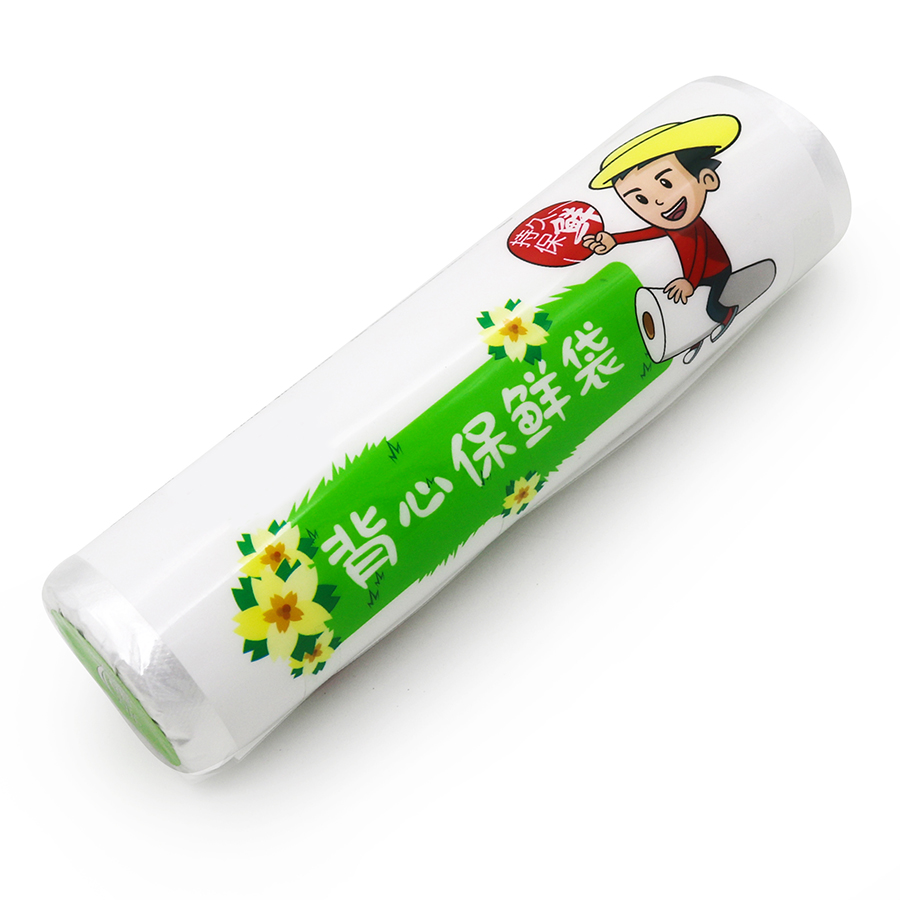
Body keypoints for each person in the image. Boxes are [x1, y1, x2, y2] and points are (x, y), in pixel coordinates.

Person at [583, 115, 742, 362]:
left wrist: (690, 282)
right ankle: (694, 341)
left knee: (709, 307)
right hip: (694, 275)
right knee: (684, 309)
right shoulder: (672, 225)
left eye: (666, 183)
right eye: (640, 200)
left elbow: (700, 252)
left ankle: (727, 315)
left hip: (715, 269)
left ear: (707, 179)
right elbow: (650, 232)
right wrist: (615, 239)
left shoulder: (693, 226)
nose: (657, 201)